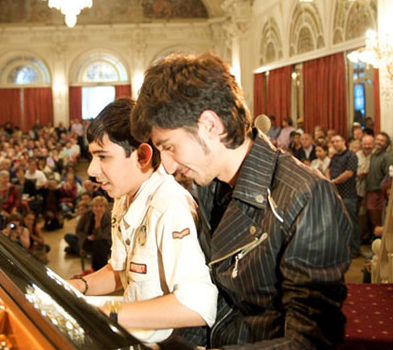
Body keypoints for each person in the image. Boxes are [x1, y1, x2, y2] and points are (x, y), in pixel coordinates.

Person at [131, 52, 352, 349]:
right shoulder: (209, 185)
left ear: (210, 125)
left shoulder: (306, 195)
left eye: (170, 147)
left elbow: (311, 341)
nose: (168, 166)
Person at [68, 98, 217, 344]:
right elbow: (120, 271)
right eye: (92, 157)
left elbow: (197, 305)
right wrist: (78, 287)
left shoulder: (168, 206)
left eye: (103, 157)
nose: (92, 170)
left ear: (142, 156)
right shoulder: (123, 198)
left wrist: (108, 313)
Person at [327, 135, 360, 257]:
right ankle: (343, 248)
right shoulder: (335, 156)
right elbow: (329, 169)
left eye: (337, 141)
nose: (335, 143)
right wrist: (327, 179)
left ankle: (355, 249)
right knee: (339, 222)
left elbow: (349, 173)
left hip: (348, 195)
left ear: (343, 141)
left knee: (351, 222)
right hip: (336, 194)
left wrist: (333, 181)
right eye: (333, 141)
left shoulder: (351, 155)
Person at [364, 132, 393, 237]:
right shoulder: (373, 155)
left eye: (382, 140)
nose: (378, 142)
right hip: (370, 191)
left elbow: (388, 177)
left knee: (380, 220)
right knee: (373, 220)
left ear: (386, 144)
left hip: (379, 193)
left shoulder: (387, 156)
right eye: (377, 139)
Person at [72, 195, 112, 270]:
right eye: (95, 206)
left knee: (99, 244)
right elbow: (78, 230)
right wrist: (87, 237)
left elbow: (104, 235)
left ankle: (96, 270)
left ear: (105, 207)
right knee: (97, 246)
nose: (98, 208)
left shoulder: (108, 217)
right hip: (87, 241)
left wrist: (98, 221)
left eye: (101, 206)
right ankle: (101, 271)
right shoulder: (87, 214)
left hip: (104, 242)